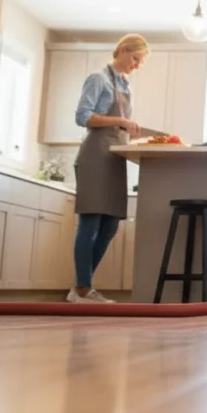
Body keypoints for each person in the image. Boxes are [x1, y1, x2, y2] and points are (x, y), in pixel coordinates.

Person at [67, 34, 148, 302]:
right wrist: (121, 121)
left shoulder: (127, 84)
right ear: (124, 51)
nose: (137, 65)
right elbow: (83, 117)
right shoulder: (98, 78)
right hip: (95, 156)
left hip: (115, 160)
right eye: (136, 58)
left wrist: (134, 132)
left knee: (111, 224)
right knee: (90, 222)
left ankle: (82, 286)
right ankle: (82, 289)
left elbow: (118, 124)